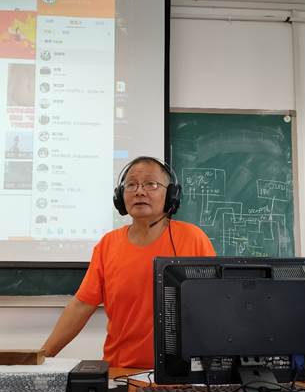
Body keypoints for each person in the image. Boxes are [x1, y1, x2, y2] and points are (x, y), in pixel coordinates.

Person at [41, 156, 216, 368]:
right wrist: (42, 357)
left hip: (180, 373)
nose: (139, 192)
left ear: (171, 195)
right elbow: (81, 305)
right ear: (120, 196)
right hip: (120, 372)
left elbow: (215, 305)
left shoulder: (193, 239)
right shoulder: (108, 244)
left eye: (151, 184)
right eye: (131, 185)